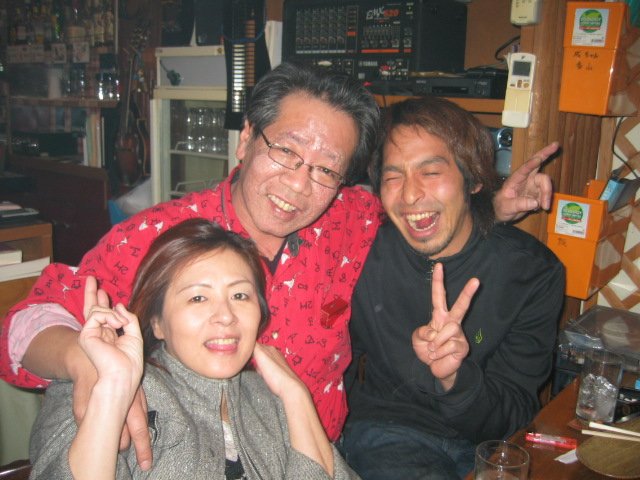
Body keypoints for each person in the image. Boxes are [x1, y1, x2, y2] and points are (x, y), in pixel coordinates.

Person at [0, 62, 558, 469]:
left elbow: (417, 209)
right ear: (246, 139)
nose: (298, 184)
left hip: (317, 458)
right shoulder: (159, 236)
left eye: (325, 169)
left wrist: (489, 206)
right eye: (286, 151)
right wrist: (83, 362)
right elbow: (25, 324)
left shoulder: (349, 219)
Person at [340, 96, 565, 480]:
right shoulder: (361, 253)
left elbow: (515, 410)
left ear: (474, 180)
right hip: (388, 431)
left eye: (430, 172)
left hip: (488, 443)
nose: (410, 195)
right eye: (393, 177)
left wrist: (455, 379)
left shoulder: (531, 272)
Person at [29, 219, 359, 479]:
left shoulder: (270, 399)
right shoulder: (95, 386)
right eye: (198, 297)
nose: (226, 316)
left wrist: (296, 396)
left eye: (240, 296)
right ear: (157, 323)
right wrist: (112, 389)